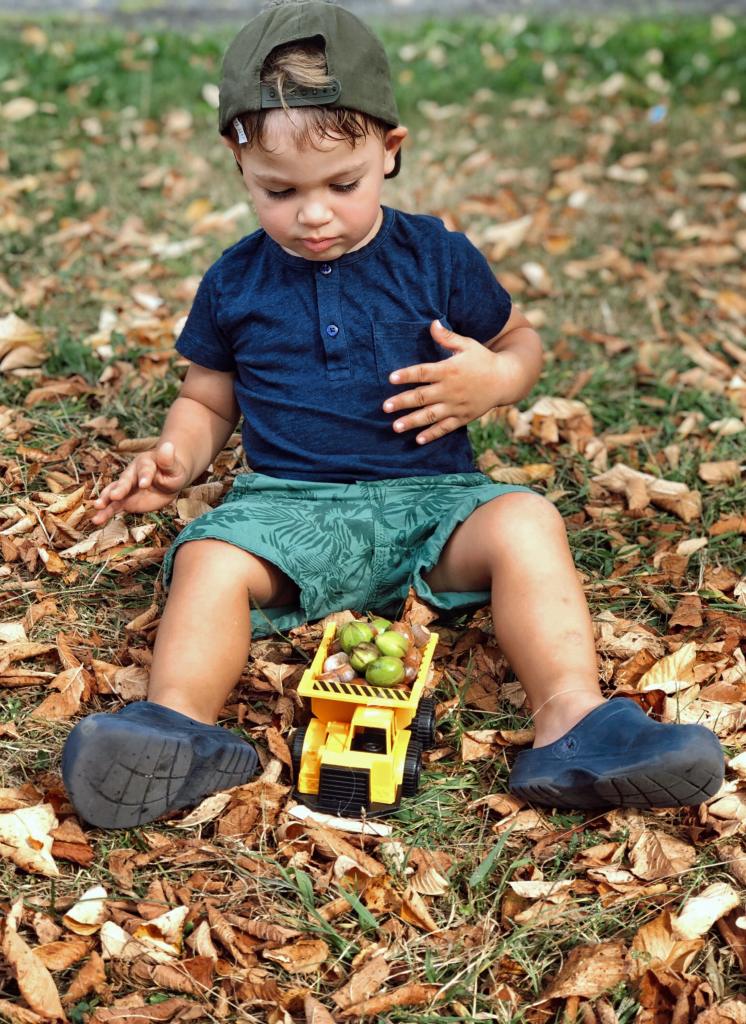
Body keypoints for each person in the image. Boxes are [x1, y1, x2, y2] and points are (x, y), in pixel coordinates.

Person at [61, 0, 724, 829]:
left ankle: (572, 720)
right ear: (238, 165)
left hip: (434, 508)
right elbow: (207, 397)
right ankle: (178, 728)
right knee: (210, 560)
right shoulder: (234, 281)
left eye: (343, 184)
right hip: (287, 513)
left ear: (390, 151)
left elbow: (519, 341)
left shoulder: (435, 257)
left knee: (525, 521)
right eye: (279, 190)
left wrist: (495, 379)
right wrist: (177, 457)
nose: (313, 213)